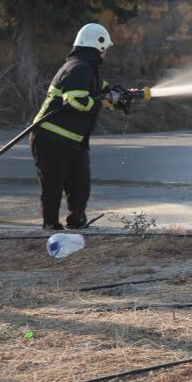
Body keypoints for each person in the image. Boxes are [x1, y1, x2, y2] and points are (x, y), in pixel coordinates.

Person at [29, 23, 114, 230]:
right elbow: (75, 101)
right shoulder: (78, 68)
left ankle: (77, 220)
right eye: (105, 49)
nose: (106, 54)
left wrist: (119, 96)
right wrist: (101, 103)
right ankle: (50, 225)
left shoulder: (88, 70)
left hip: (74, 140)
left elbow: (102, 90)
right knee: (53, 185)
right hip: (50, 138)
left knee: (80, 184)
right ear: (98, 46)